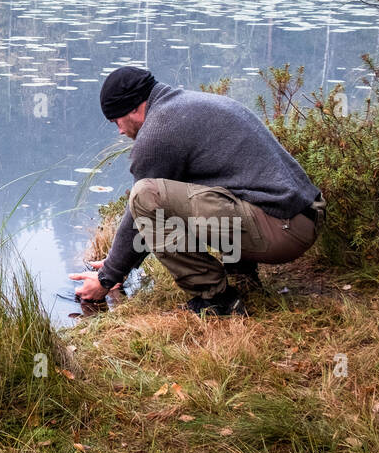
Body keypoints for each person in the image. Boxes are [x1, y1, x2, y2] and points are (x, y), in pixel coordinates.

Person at [69, 66, 326, 317]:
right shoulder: (188, 105)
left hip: (284, 230)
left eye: (117, 121)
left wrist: (106, 277)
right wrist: (117, 264)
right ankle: (243, 276)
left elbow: (142, 210)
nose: (120, 131)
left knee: (144, 195)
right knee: (204, 188)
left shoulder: (159, 130)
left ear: (135, 107)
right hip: (303, 215)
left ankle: (216, 298)